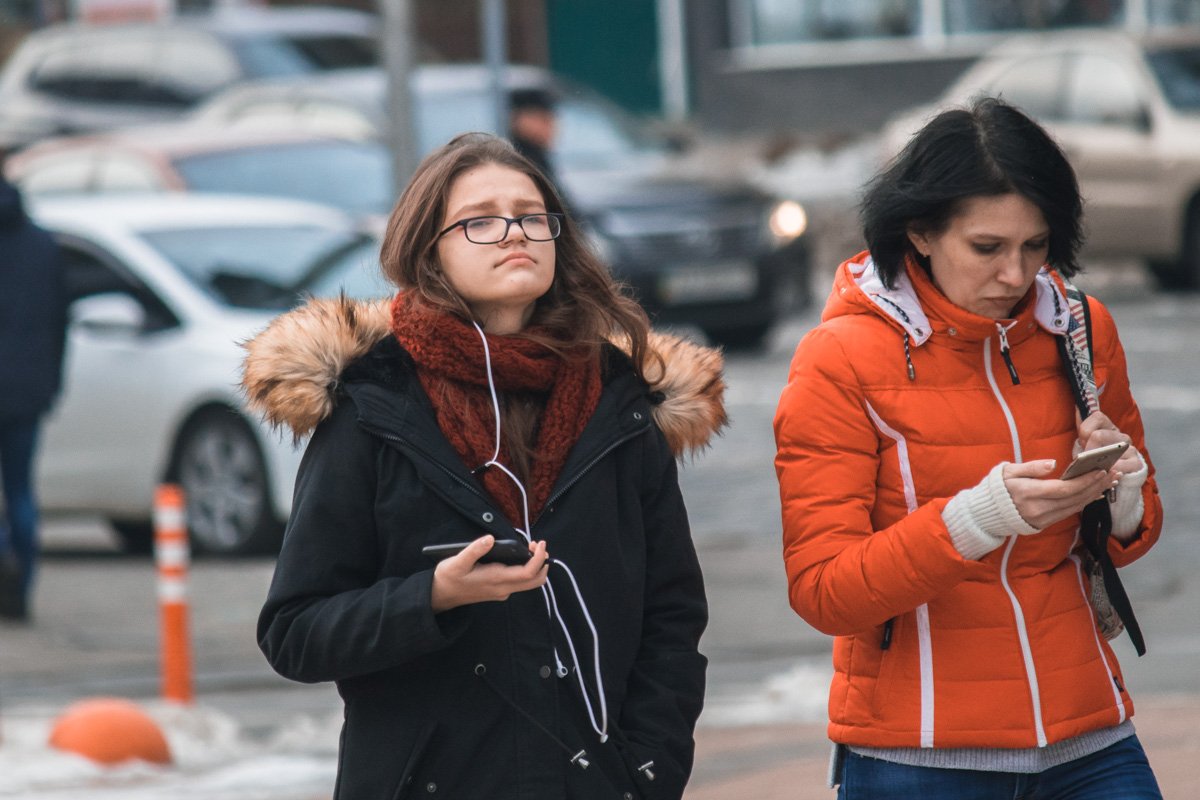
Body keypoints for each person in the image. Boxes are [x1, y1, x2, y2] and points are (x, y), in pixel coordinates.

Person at [244, 132, 722, 799]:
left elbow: (672, 615)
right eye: (480, 221)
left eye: (531, 216)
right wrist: (432, 596)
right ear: (429, 247)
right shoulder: (374, 403)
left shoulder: (619, 399)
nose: (513, 234)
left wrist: (648, 770)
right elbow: (294, 631)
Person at [773, 97, 1164, 799]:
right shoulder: (839, 358)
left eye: (1036, 246)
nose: (1016, 276)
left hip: (1088, 732)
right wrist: (975, 520)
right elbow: (824, 591)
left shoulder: (1079, 327)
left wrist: (1123, 498)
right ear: (919, 232)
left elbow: (1129, 538)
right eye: (987, 248)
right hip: (919, 756)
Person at [0, 169, 68, 623]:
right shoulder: (43, 246)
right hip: (27, 391)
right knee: (21, 492)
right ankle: (20, 589)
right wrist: (50, 383)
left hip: (25, 388)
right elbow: (60, 323)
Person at [509, 87, 562, 194]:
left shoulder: (538, 156)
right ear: (521, 120)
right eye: (544, 119)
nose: (552, 127)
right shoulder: (524, 163)